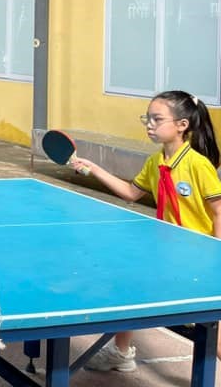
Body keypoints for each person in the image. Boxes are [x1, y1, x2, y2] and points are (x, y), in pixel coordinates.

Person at [70, 90, 221, 371]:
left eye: (157, 119)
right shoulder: (156, 162)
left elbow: (218, 211)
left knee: (216, 337)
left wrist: (216, 254)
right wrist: (94, 168)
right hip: (168, 249)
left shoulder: (198, 165)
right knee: (129, 284)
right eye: (147, 118)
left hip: (199, 254)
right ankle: (120, 352)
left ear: (182, 125)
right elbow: (131, 192)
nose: (149, 125)